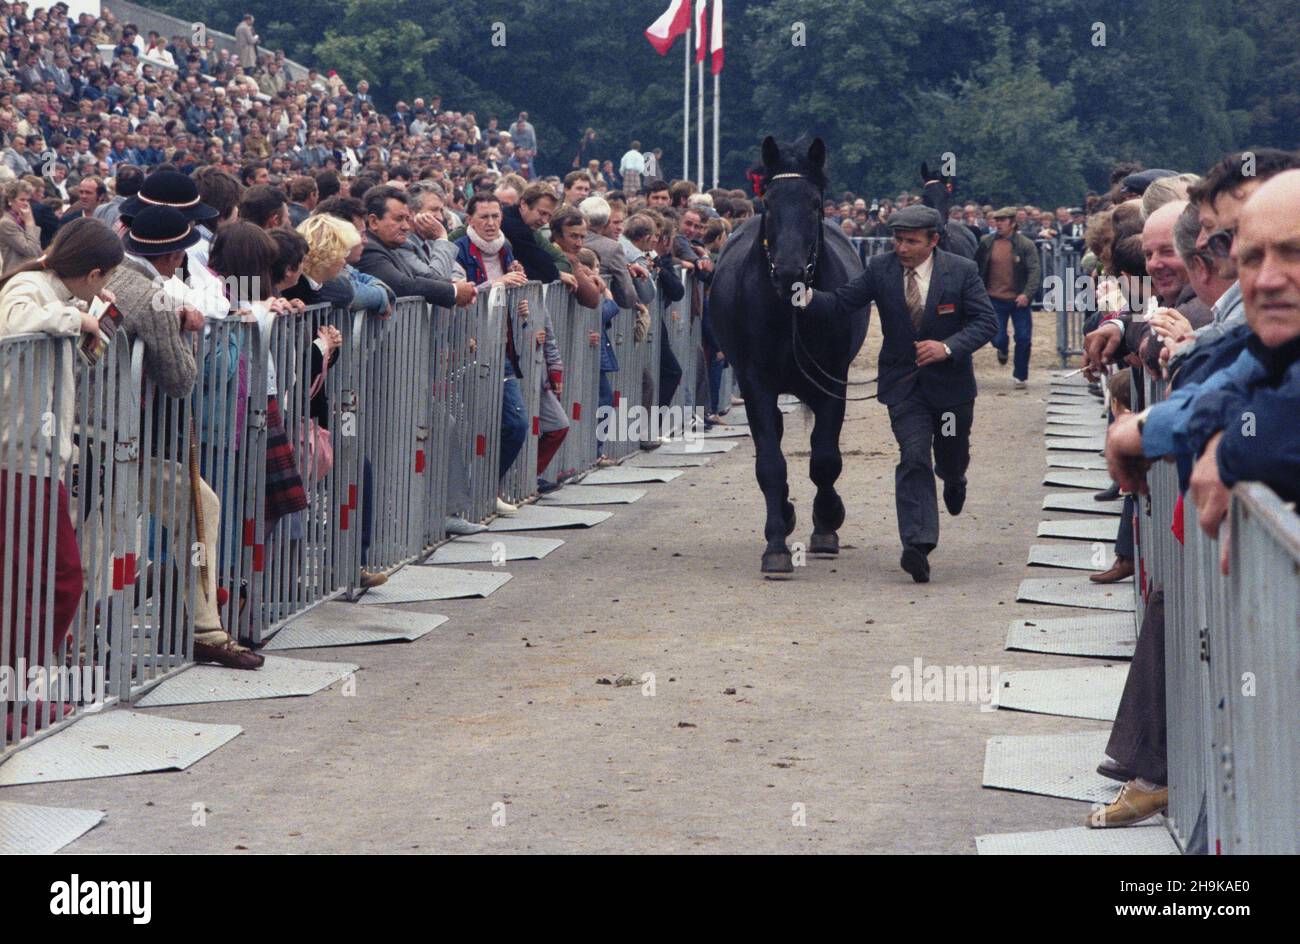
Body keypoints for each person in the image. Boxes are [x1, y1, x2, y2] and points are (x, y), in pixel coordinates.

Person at [802, 205, 998, 582]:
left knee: (950, 457)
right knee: (913, 456)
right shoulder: (881, 268)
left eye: (911, 241)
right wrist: (804, 297)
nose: (902, 248)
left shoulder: (961, 271)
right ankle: (917, 544)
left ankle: (955, 478)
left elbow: (985, 321)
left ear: (934, 240)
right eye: (897, 239)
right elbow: (842, 302)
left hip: (951, 389)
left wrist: (948, 347)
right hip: (903, 386)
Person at [1, 219, 124, 734]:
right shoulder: (28, 286)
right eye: (103, 278)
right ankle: (14, 701)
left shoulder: (55, 292)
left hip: (40, 457)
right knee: (48, 582)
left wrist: (84, 322)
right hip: (18, 456)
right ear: (92, 272)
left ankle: (19, 696)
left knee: (48, 581)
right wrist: (78, 320)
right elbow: (13, 324)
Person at [975, 206, 1041, 388]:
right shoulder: (986, 243)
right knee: (997, 337)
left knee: (1024, 338)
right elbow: (977, 267)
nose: (998, 224)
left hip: (1018, 299)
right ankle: (1002, 348)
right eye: (996, 221)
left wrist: (1027, 294)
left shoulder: (1025, 244)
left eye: (1002, 221)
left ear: (1012, 223)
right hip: (993, 299)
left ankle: (1020, 376)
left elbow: (1034, 271)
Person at [0, 178, 43, 273]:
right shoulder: (6, 223)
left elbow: (37, 249)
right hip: (15, 274)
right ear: (10, 200)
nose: (26, 204)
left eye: (28, 200)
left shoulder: (22, 218)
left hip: (30, 271)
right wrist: (30, 223)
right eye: (22, 200)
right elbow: (30, 251)